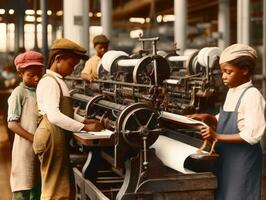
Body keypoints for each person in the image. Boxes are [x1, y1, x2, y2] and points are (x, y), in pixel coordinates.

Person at [188, 44, 266, 200]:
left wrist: (216, 136)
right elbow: (228, 118)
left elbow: (251, 135)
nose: (223, 76)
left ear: (244, 70)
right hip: (226, 158)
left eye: (228, 72)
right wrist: (208, 118)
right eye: (222, 72)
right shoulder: (232, 91)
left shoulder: (252, 95)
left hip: (242, 161)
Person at [32, 38, 104, 200]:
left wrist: (84, 121)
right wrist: (85, 128)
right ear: (58, 59)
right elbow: (55, 115)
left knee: (60, 186)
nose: (72, 70)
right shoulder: (50, 82)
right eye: (71, 65)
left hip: (55, 134)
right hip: (51, 134)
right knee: (54, 188)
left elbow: (64, 112)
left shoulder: (57, 80)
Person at [7, 51, 44, 200]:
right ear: (21, 74)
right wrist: (34, 138)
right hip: (24, 147)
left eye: (39, 74)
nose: (36, 78)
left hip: (38, 148)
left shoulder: (40, 91)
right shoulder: (19, 93)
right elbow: (12, 124)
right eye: (30, 74)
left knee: (36, 187)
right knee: (23, 186)